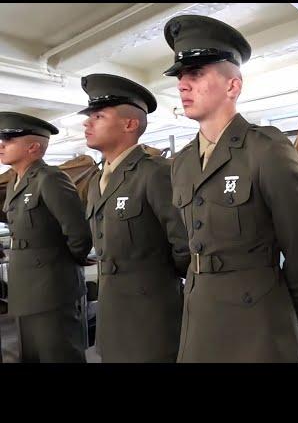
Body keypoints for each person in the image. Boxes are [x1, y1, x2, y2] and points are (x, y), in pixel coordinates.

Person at [163, 15, 298, 362]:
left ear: (233, 86)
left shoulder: (266, 149)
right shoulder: (183, 161)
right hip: (199, 317)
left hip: (257, 322)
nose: (183, 86)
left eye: (196, 74)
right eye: (180, 78)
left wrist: (278, 313)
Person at [81, 73, 190, 362]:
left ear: (129, 124)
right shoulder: (97, 181)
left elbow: (184, 244)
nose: (86, 123)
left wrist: (156, 280)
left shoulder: (155, 172)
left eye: (98, 116)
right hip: (113, 314)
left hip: (151, 315)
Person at [0, 112, 92, 362]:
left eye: (8, 140)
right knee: (32, 354)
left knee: (59, 353)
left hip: (51, 287)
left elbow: (79, 233)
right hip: (23, 285)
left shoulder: (50, 178)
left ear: (33, 147)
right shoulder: (14, 183)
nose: (1, 146)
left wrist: (61, 265)